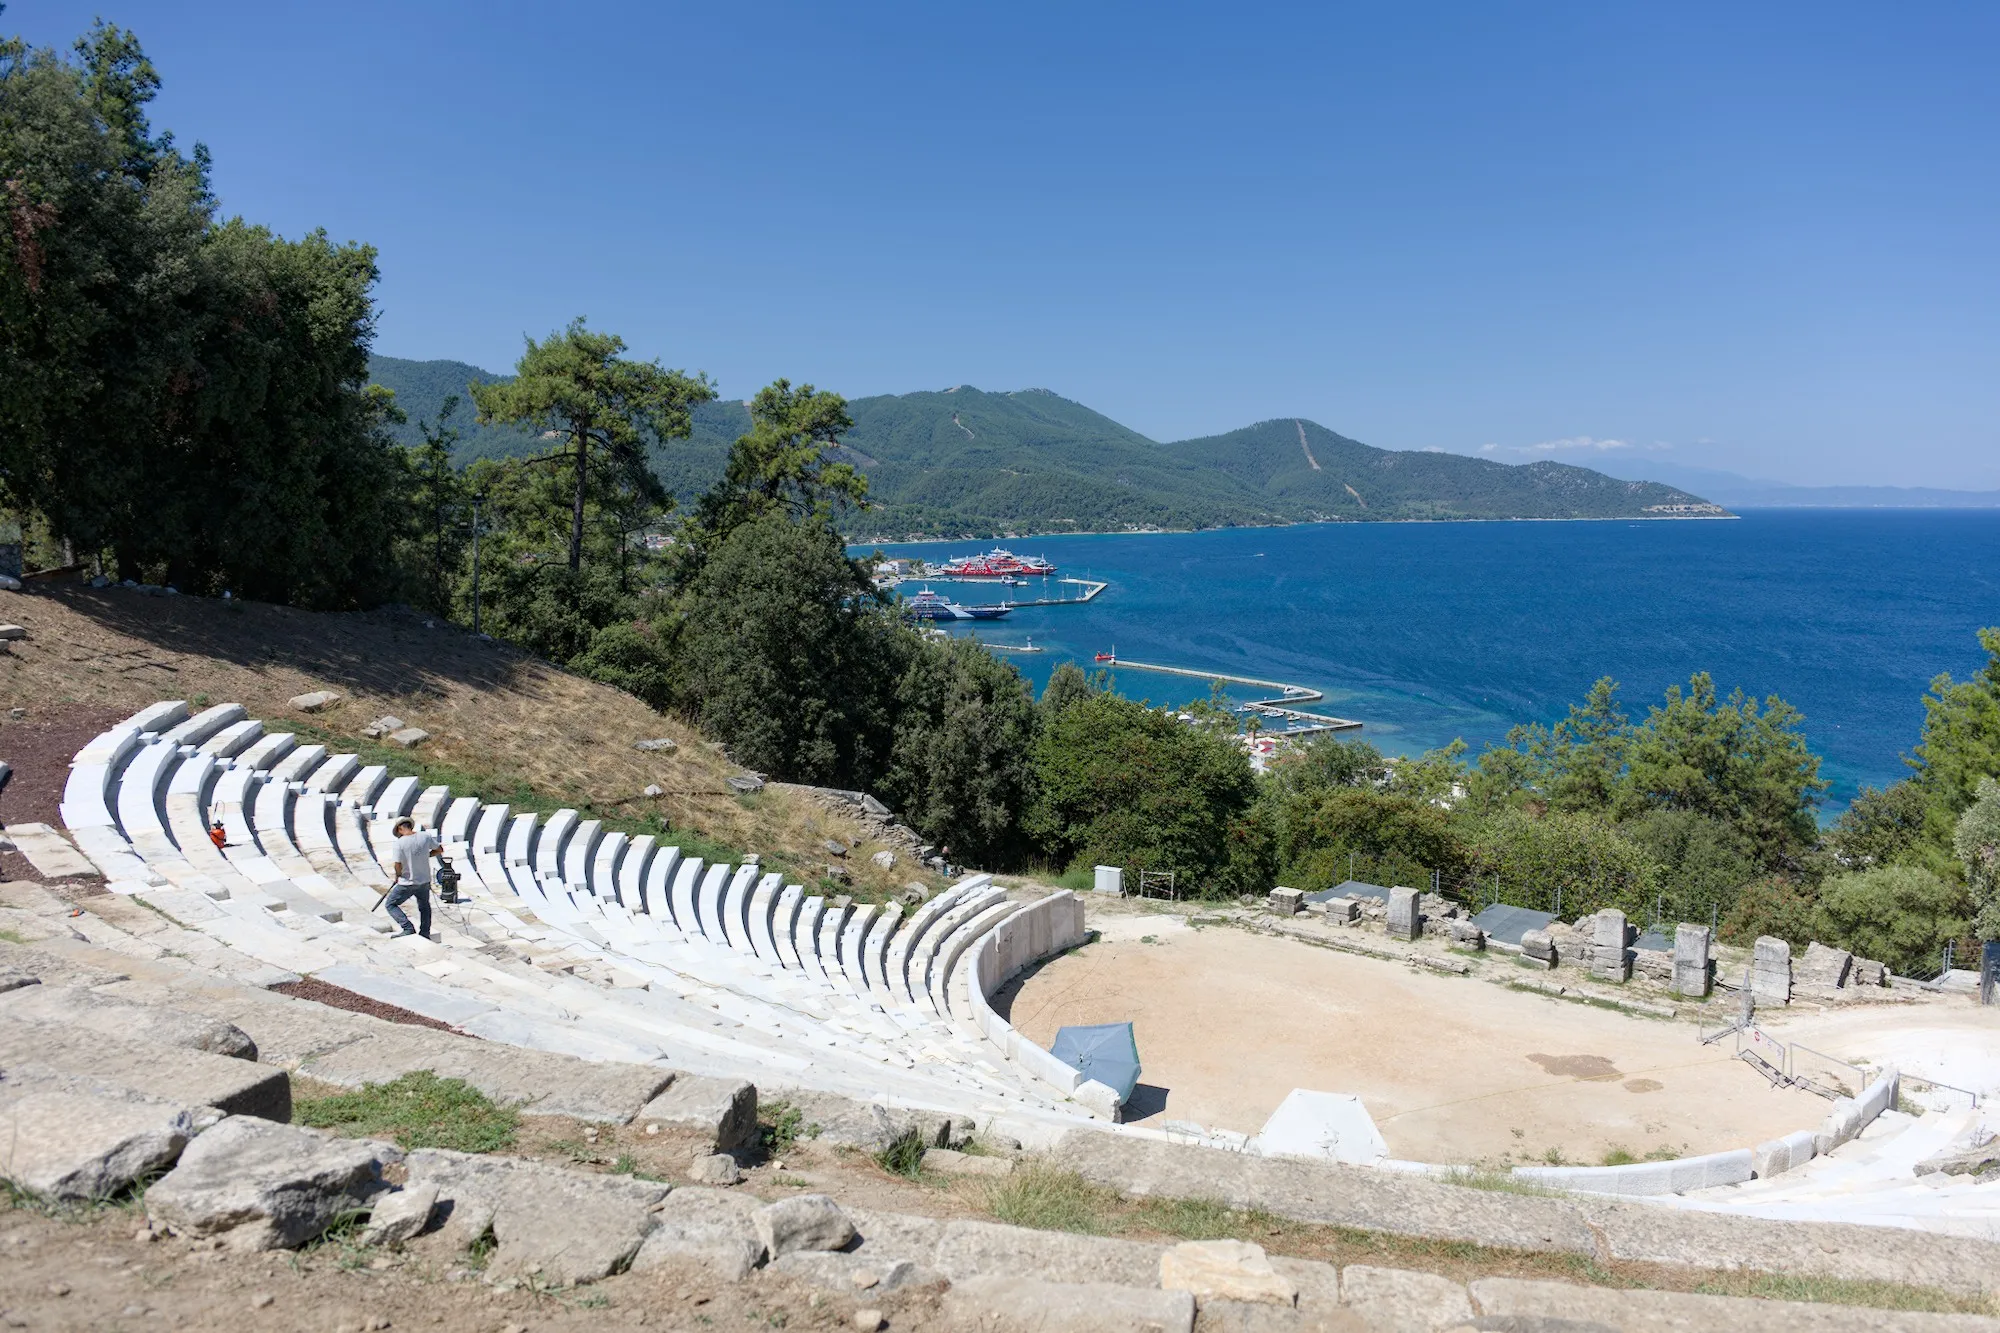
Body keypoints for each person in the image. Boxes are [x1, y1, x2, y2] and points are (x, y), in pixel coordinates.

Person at [384, 816, 441, 939]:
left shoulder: (399, 843)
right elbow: (439, 849)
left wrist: (398, 875)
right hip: (424, 880)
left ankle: (407, 928)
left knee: (390, 904)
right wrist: (426, 856)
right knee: (424, 907)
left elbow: (397, 864)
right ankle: (425, 933)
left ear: (400, 828)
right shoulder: (425, 836)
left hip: (408, 882)